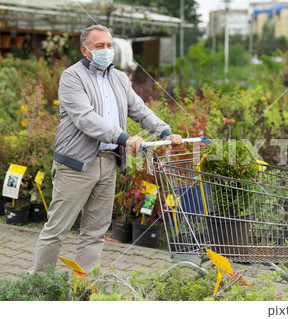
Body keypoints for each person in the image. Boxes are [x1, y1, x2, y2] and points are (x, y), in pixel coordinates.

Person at [30, 24, 182, 274]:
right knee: (57, 229)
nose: (106, 50)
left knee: (95, 232)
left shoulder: (120, 79)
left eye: (109, 45)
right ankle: (37, 286)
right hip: (76, 164)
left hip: (108, 162)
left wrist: (165, 131)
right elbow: (85, 118)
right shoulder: (72, 77)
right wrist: (125, 138)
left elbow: (140, 110)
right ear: (85, 50)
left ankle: (83, 285)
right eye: (99, 46)